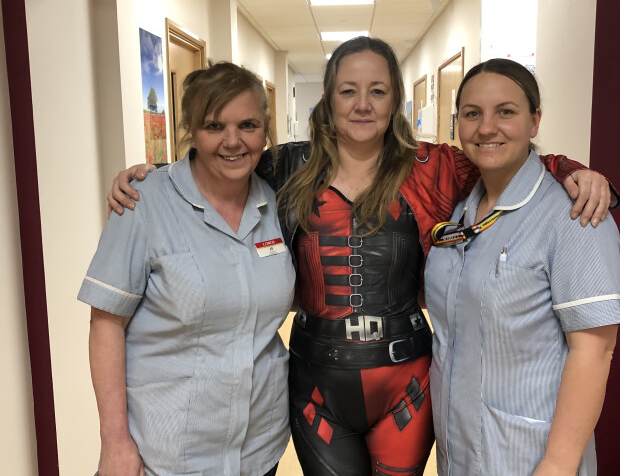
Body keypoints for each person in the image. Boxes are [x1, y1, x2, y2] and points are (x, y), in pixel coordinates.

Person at [107, 38, 615, 476]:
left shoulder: (434, 167)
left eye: (377, 91)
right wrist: (149, 176)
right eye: (348, 90)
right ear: (328, 99)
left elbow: (503, 153)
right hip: (315, 378)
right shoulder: (286, 166)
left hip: (407, 379)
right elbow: (219, 156)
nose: (362, 104)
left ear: (395, 99)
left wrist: (570, 168)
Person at [78, 62, 296, 476]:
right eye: (214, 126)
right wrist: (115, 442)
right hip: (169, 452)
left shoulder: (278, 203)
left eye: (248, 125)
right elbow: (105, 324)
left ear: (266, 130)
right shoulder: (142, 204)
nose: (232, 141)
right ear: (191, 131)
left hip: (260, 448)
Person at [424, 58, 620, 475]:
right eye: (472, 114)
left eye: (506, 112)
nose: (486, 128)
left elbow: (595, 349)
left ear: (535, 121)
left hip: (529, 456)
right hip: (458, 449)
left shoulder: (575, 215)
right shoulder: (461, 210)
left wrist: (558, 464)